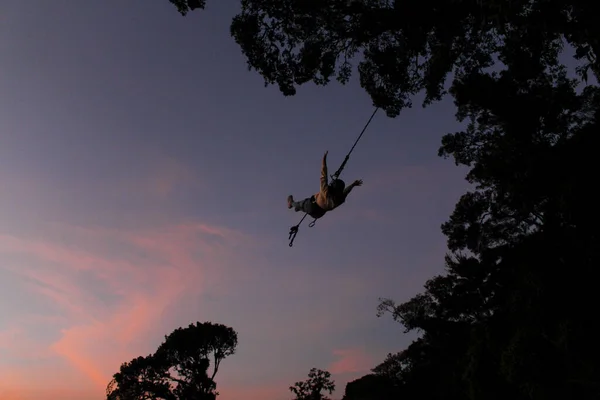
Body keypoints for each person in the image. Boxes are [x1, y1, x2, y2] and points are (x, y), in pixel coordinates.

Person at [287, 150, 363, 219]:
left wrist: (324, 159)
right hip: (319, 214)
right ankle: (298, 208)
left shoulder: (325, 192)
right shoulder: (339, 199)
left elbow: (324, 174)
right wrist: (353, 185)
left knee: (302, 203)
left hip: (312, 206)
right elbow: (346, 192)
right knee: (304, 205)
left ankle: (291, 204)